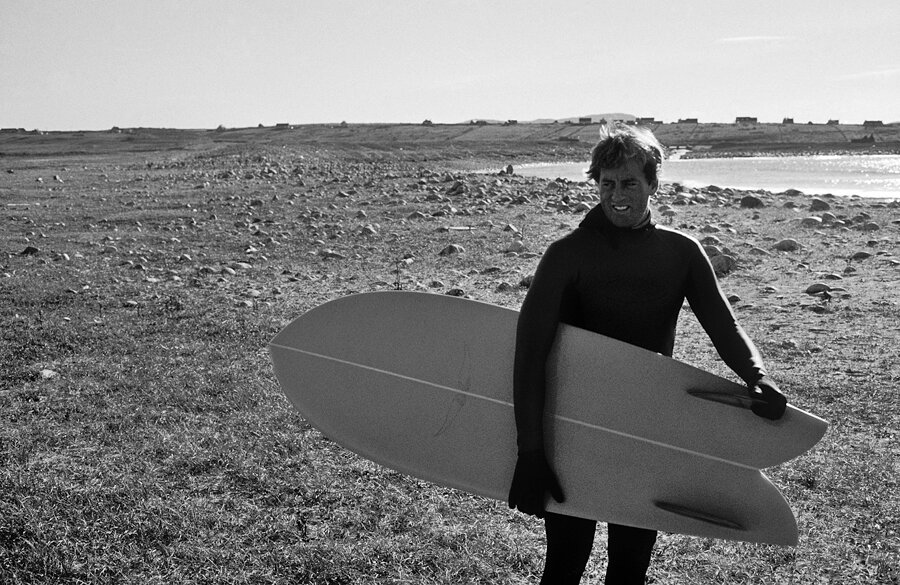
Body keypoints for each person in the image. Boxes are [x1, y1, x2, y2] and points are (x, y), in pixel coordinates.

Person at [507, 123, 787, 585]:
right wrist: (531, 452)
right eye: (607, 183)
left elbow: (723, 324)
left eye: (630, 183)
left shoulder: (681, 253)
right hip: (576, 429)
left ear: (654, 184)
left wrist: (756, 374)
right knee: (564, 563)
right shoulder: (566, 256)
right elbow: (529, 356)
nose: (617, 195)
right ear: (596, 183)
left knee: (631, 567)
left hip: (645, 427)